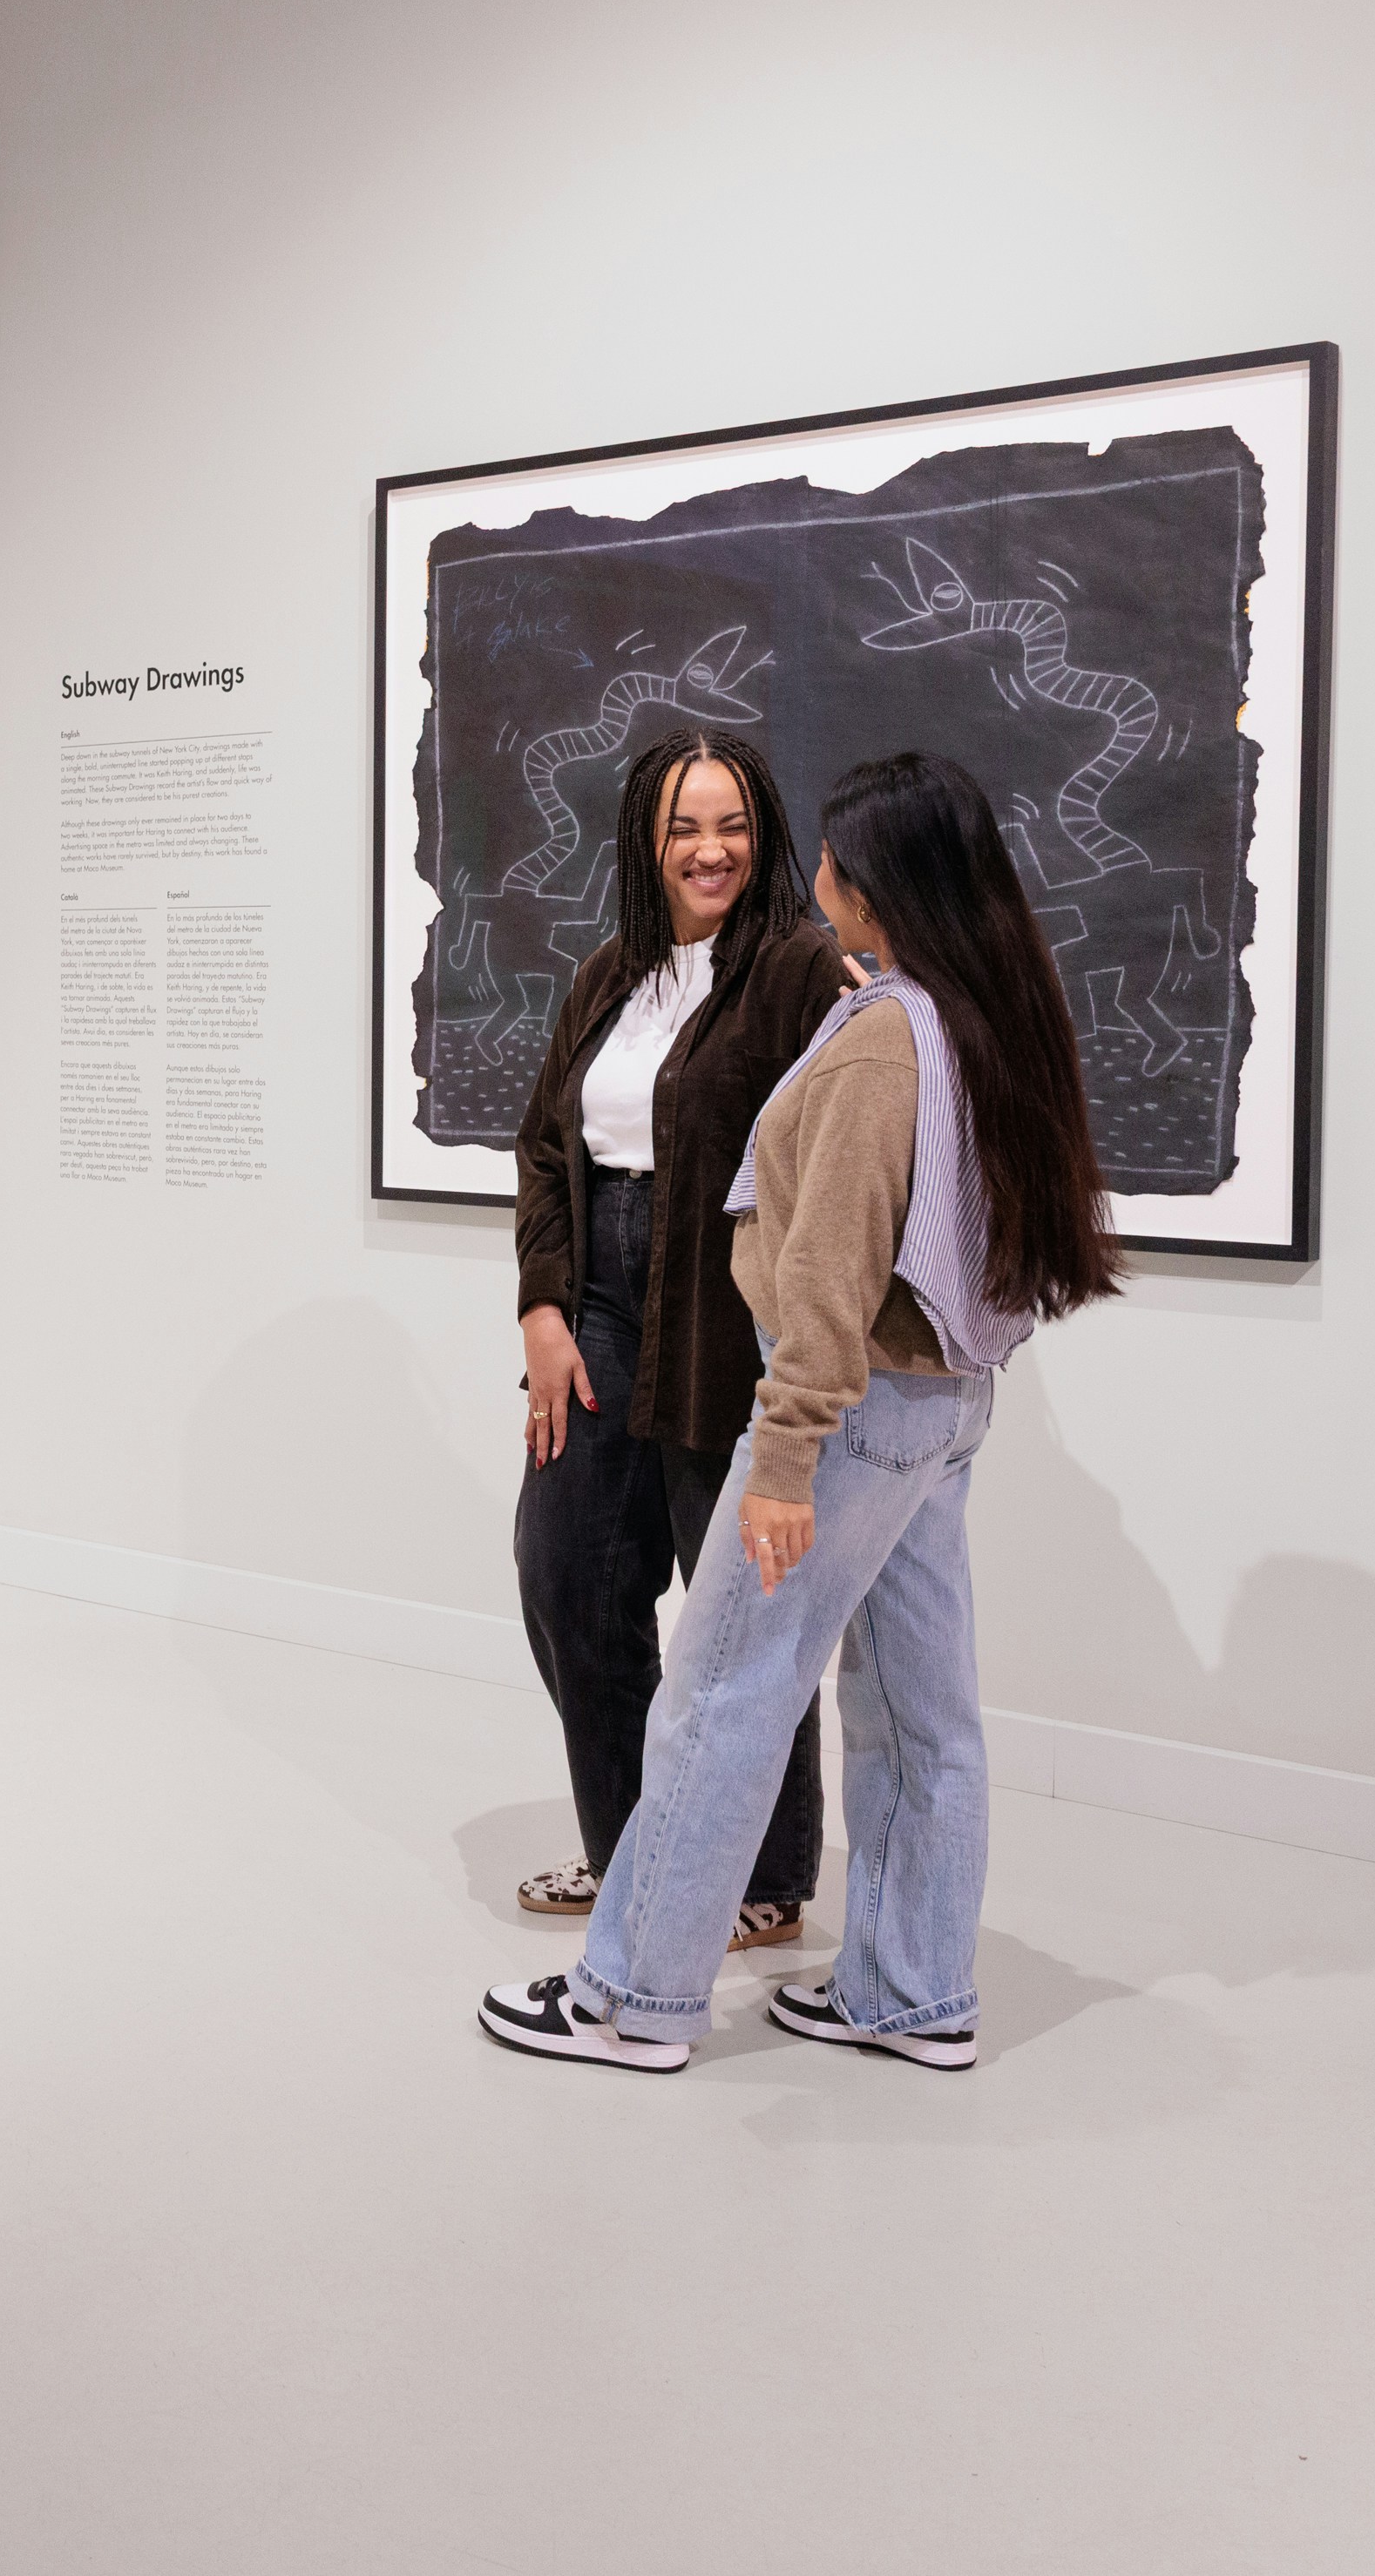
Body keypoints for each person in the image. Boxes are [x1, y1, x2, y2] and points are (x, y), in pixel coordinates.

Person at [478, 749, 1121, 2075]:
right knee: (920, 1714)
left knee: (719, 1693)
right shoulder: (974, 1004)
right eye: (687, 827)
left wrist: (778, 1464)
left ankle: (632, 1999)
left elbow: (829, 1273)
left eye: (809, 848)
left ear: (872, 881)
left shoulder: (875, 1032)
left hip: (852, 1410)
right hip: (941, 1403)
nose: (800, 871)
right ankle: (911, 1992)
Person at [505, 729, 848, 1943]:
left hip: (729, 1312)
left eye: (733, 825)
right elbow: (549, 1145)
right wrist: (545, 1308)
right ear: (644, 845)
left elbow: (844, 1157)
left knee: (742, 1609)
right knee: (566, 1579)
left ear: (764, 833)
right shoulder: (609, 973)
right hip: (598, 1301)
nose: (712, 852)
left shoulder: (805, 972)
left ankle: (763, 1878)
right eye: (684, 829)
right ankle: (638, 1849)